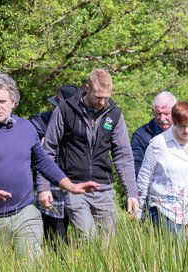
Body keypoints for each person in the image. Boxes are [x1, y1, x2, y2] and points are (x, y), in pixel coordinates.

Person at [0, 72, 98, 257]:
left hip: (25, 213)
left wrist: (70, 185)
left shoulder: (26, 128)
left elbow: (43, 162)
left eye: (2, 101)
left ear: (13, 102)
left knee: (30, 268)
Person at [37, 69, 138, 240]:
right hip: (73, 186)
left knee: (109, 244)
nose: (103, 101)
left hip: (104, 189)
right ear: (87, 89)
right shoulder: (65, 109)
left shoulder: (114, 113)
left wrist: (132, 193)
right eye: (98, 97)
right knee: (88, 237)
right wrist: (43, 187)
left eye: (107, 96)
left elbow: (123, 156)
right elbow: (48, 150)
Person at [136, 101, 188, 243]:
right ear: (174, 122)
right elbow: (144, 178)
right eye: (182, 126)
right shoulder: (158, 144)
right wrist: (139, 213)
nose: (186, 130)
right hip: (167, 210)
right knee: (176, 253)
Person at [28, 85, 78, 246]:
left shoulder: (81, 122)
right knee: (54, 232)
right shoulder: (39, 122)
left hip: (75, 180)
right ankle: (57, 264)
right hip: (49, 182)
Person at [131, 91, 177, 177]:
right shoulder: (141, 136)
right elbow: (134, 166)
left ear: (175, 112)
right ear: (153, 111)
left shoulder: (184, 133)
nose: (162, 118)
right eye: (158, 113)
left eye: (166, 114)